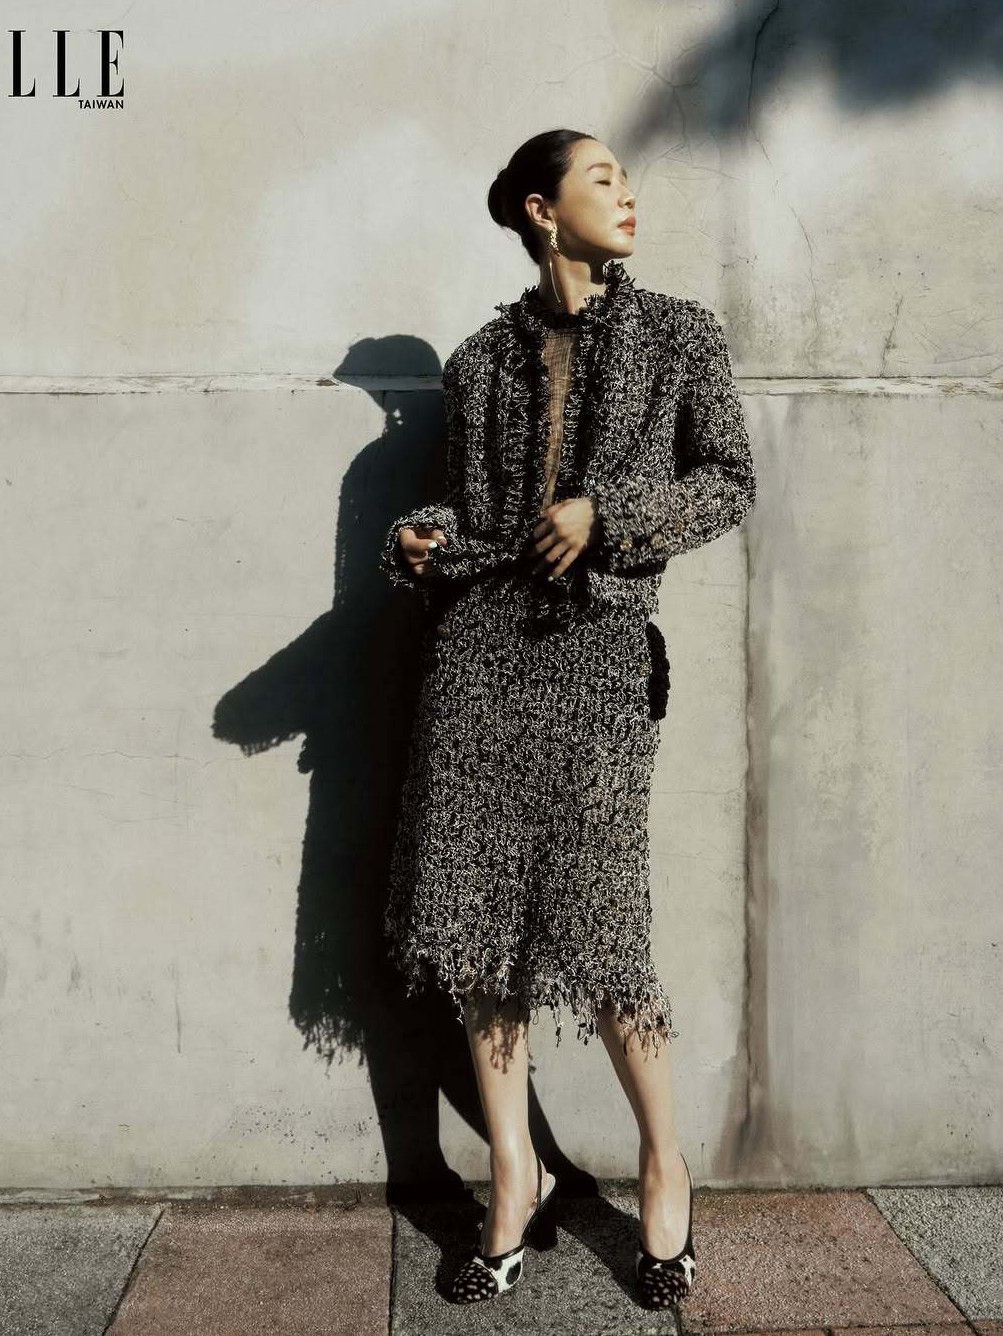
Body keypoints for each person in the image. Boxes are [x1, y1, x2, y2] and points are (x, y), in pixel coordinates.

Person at [377, 129, 756, 1309]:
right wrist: (421, 537)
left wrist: (608, 512)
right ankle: (514, 1174)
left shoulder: (681, 333)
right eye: (602, 178)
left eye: (627, 178)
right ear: (542, 210)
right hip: (476, 660)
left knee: (602, 924)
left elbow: (729, 481)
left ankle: (662, 1162)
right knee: (475, 927)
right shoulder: (477, 359)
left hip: (600, 658)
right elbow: (477, 508)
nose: (627, 194)